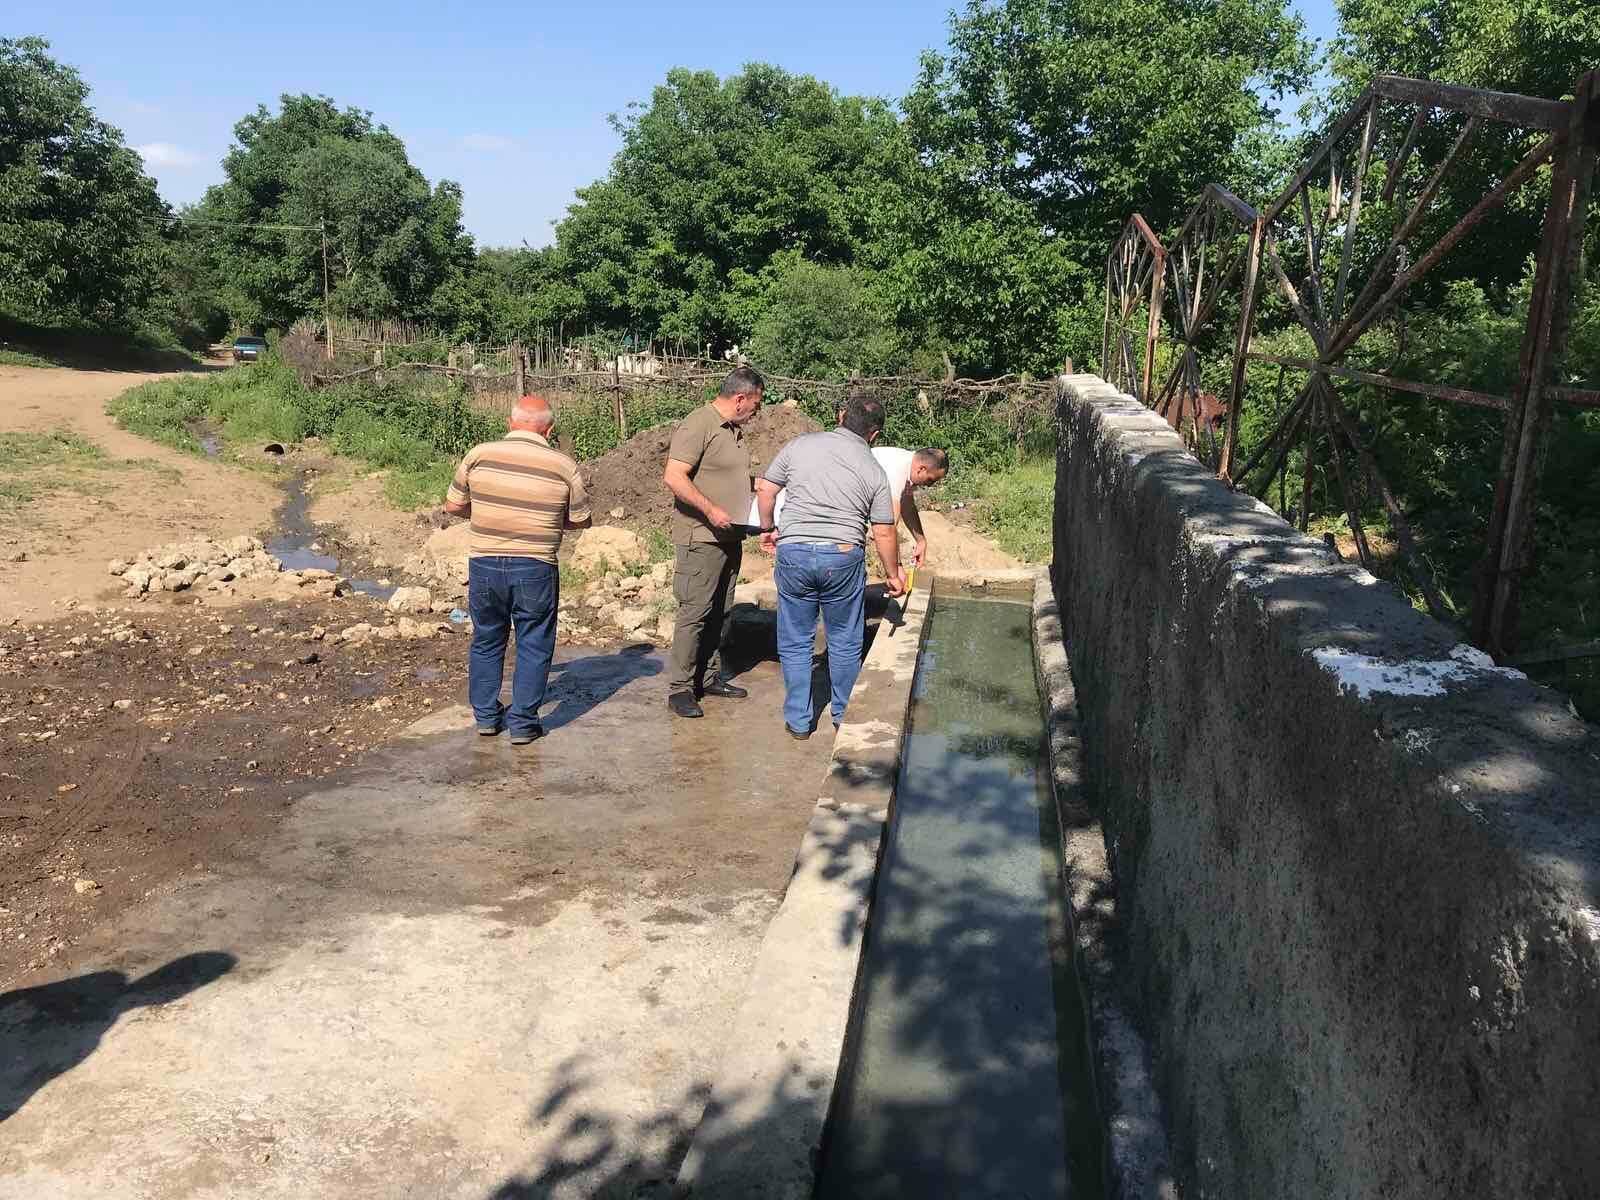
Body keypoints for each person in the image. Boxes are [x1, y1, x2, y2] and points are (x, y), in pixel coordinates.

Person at [755, 391, 906, 739]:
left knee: (795, 640)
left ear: (840, 416)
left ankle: (798, 721)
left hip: (794, 553)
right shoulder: (874, 469)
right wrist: (892, 575)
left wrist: (767, 528)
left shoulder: (799, 446)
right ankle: (842, 715)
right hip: (842, 557)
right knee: (844, 640)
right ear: (874, 434)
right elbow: (884, 531)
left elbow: (766, 491)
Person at [443, 394, 591, 745]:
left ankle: (486, 718)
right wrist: (547, 521)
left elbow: (453, 505)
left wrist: (486, 514)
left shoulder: (479, 454)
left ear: (510, 423)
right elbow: (580, 520)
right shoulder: (563, 465)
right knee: (534, 642)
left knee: (487, 639)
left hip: (485, 563)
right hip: (535, 566)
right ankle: (523, 723)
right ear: (549, 430)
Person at [662, 364, 766, 719]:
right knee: (695, 612)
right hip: (702, 537)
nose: (757, 412)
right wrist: (710, 510)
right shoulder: (699, 424)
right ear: (740, 399)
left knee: (721, 611)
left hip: (729, 537)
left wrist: (758, 486)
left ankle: (707, 678)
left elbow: (724, 476)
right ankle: (680, 688)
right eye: (756, 404)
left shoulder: (733, 431)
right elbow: (674, 476)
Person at [748, 442, 950, 566]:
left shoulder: (905, 464)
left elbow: (907, 506)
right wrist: (895, 569)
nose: (929, 486)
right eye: (930, 480)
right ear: (921, 469)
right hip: (789, 514)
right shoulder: (897, 468)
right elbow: (887, 528)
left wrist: (921, 541)